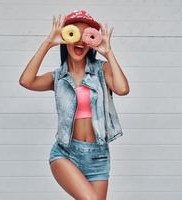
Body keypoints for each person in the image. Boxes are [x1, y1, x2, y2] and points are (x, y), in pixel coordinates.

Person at [19, 10, 129, 200]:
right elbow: (26, 81)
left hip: (98, 157)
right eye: (74, 33)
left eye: (87, 35)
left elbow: (122, 89)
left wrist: (108, 52)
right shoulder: (57, 78)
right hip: (66, 153)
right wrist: (48, 43)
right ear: (66, 39)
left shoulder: (102, 70)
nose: (80, 41)